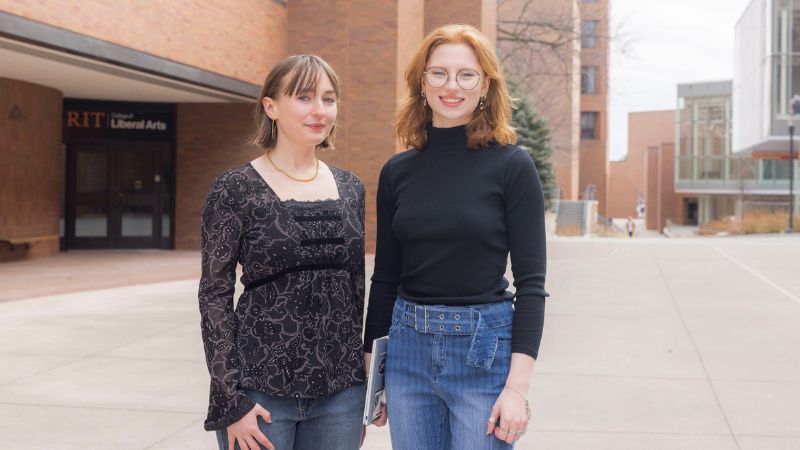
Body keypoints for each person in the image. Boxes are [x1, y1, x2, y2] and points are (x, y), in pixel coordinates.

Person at [363, 24, 549, 449]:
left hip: (484, 352)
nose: (452, 86)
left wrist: (517, 389)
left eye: (466, 74)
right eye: (438, 73)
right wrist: (374, 369)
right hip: (407, 351)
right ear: (421, 83)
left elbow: (533, 286)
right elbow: (386, 277)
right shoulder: (397, 172)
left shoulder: (512, 166)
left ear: (485, 85)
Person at [199, 55, 366, 450]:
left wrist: (365, 382)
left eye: (329, 99)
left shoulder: (351, 188)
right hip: (259, 393)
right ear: (270, 106)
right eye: (304, 97)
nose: (319, 110)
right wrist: (230, 400)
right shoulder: (234, 189)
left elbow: (356, 287)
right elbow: (214, 296)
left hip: (340, 395)